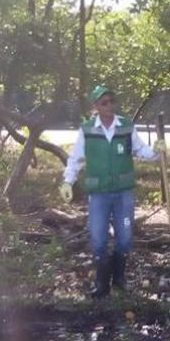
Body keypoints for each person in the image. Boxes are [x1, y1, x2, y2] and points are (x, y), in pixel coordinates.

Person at [60, 86, 163, 298]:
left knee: (124, 237)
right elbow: (76, 158)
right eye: (104, 102)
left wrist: (156, 151)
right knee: (98, 239)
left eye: (111, 101)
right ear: (96, 106)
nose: (109, 106)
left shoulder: (126, 126)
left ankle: (119, 280)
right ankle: (101, 285)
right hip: (99, 196)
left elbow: (141, 150)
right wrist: (67, 181)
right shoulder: (87, 129)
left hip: (123, 196)